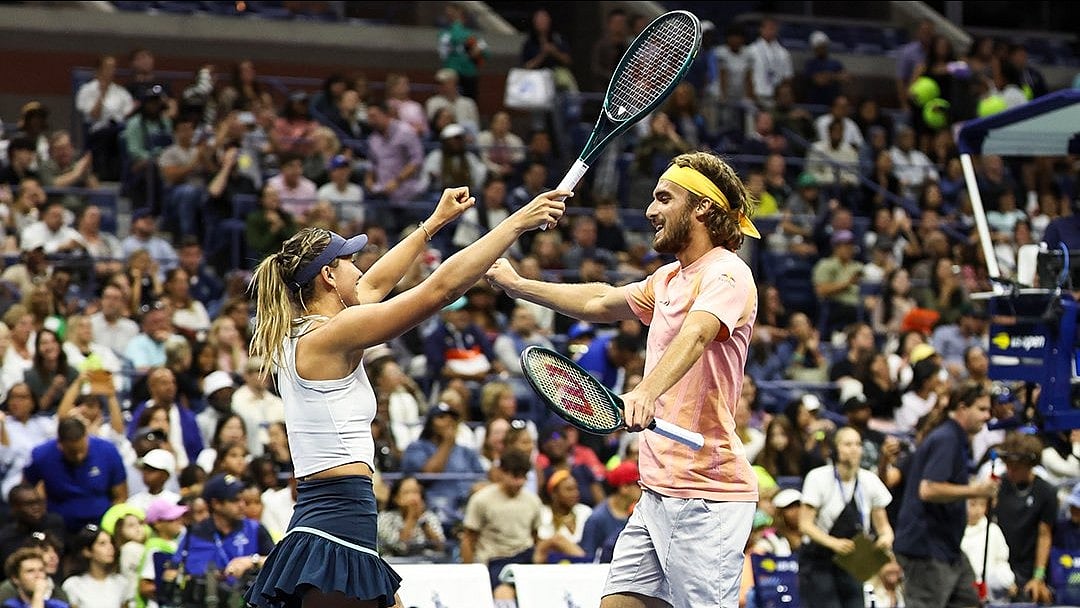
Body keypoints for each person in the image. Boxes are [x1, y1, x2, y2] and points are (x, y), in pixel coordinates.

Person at [242, 182, 566, 608]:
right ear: (327, 276)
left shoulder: (307, 331)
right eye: (350, 262)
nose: (360, 270)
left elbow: (373, 287)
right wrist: (516, 223)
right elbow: (439, 291)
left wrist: (432, 224)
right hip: (337, 518)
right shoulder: (332, 334)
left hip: (338, 516)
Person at [486, 150, 760, 606]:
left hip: (706, 496)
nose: (651, 211)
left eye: (663, 198)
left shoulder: (728, 274)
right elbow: (601, 301)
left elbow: (695, 335)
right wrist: (519, 286)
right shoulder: (669, 278)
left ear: (703, 208)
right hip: (657, 490)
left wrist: (646, 393)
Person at [893, 381, 997, 608]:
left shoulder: (957, 439)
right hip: (927, 549)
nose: (987, 416)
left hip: (948, 548)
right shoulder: (947, 439)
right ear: (962, 408)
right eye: (981, 409)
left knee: (969, 601)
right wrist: (976, 490)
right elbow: (928, 489)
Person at [798, 427, 894, 608]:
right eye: (847, 444)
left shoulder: (870, 480)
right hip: (820, 560)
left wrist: (885, 539)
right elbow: (805, 525)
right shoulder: (818, 477)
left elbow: (884, 527)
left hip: (852, 561)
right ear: (835, 449)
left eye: (858, 444)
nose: (854, 449)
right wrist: (833, 542)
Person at [2, 548, 70, 608]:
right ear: (15, 579)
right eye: (30, 571)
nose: (38, 575)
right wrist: (39, 593)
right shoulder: (9, 605)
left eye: (41, 570)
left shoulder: (56, 605)